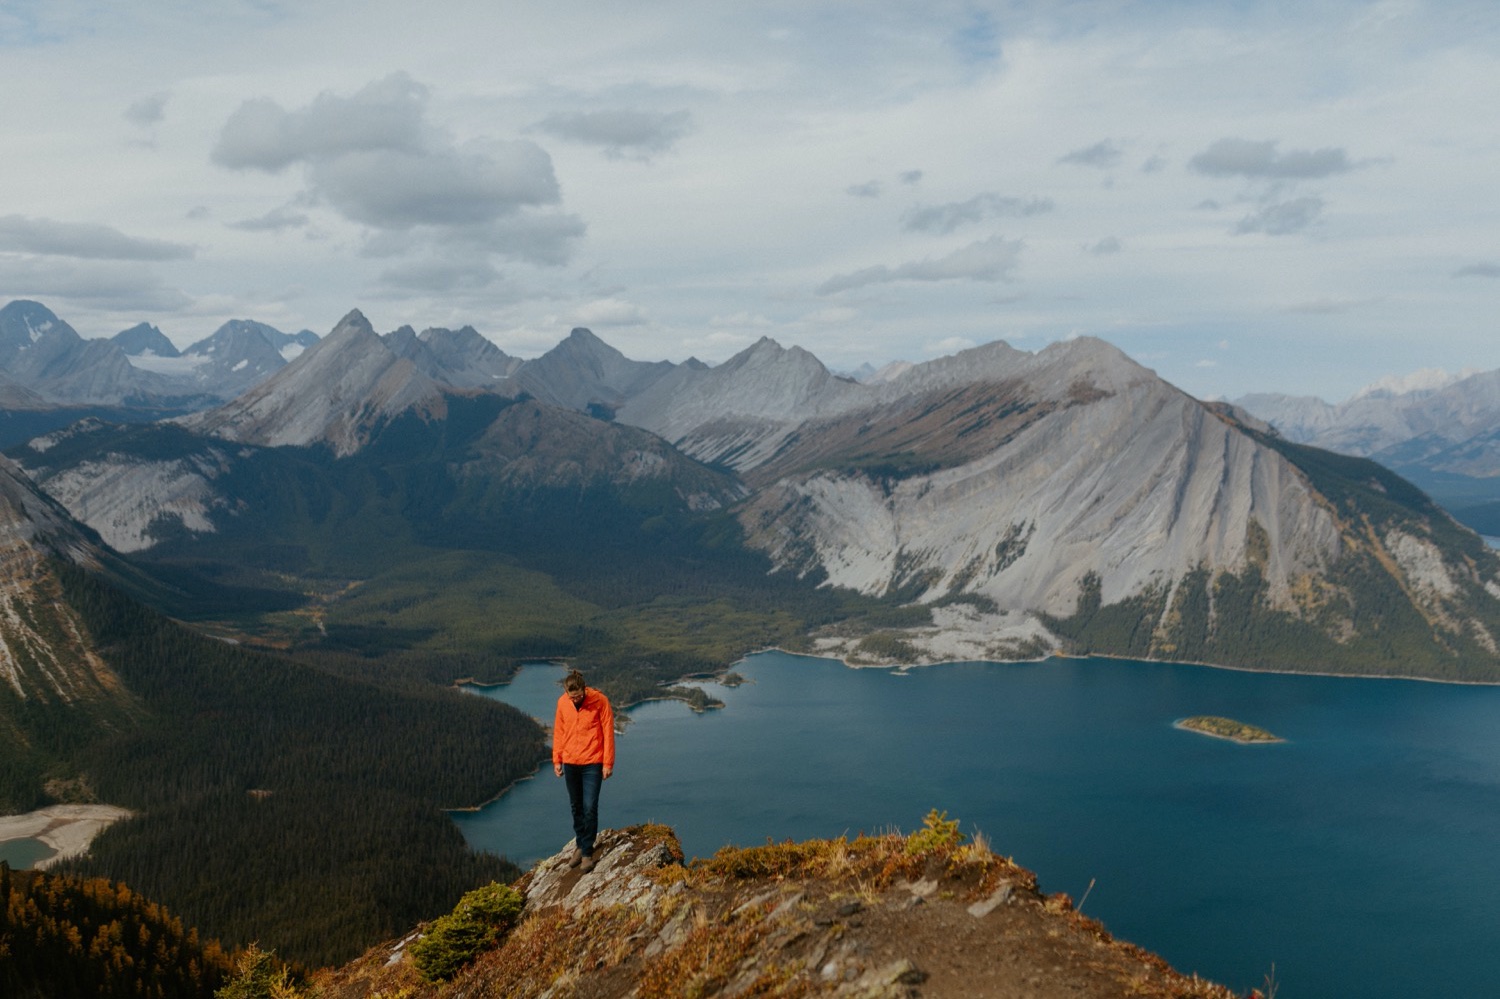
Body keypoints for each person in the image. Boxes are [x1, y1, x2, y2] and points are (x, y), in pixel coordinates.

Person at [552, 669, 614, 872]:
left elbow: (607, 731)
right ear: (566, 693)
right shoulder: (562, 703)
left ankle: (587, 852)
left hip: (592, 762)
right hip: (570, 762)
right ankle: (580, 844)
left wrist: (608, 763)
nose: (576, 699)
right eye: (572, 697)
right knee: (576, 806)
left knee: (590, 807)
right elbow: (559, 732)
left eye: (579, 695)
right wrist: (557, 759)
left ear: (584, 689)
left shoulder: (600, 701)